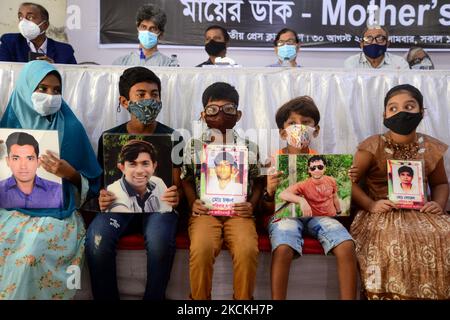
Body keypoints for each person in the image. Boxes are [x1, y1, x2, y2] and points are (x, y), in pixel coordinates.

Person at [0, 60, 101, 299]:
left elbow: (94, 183)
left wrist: (71, 174)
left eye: (56, 90)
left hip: (56, 212)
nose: (50, 96)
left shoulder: (71, 127)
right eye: (42, 88)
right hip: (8, 210)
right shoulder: (8, 125)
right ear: (26, 89)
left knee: (31, 256)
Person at [85, 66, 181, 300]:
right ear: (124, 101)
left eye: (155, 94)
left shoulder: (175, 137)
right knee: (97, 239)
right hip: (119, 208)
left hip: (159, 209)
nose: (149, 99)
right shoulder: (109, 138)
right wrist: (102, 198)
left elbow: (177, 183)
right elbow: (102, 186)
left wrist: (176, 196)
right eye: (141, 94)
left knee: (159, 243)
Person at [350, 84, 449, 299]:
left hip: (422, 211)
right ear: (384, 114)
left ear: (421, 112)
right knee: (392, 238)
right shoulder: (372, 145)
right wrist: (371, 205)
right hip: (381, 212)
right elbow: (349, 183)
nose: (401, 112)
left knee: (445, 234)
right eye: (393, 108)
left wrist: (439, 204)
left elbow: (441, 183)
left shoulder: (431, 147)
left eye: (409, 106)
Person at [262, 97, 357, 300]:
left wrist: (347, 185)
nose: (300, 127)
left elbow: (337, 203)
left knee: (346, 244)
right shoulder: (273, 161)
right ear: (282, 132)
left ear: (316, 130)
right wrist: (269, 191)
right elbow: (266, 207)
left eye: (306, 122)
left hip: (319, 214)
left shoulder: (325, 163)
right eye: (292, 123)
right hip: (284, 215)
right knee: (283, 246)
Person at [181, 82, 263, 300]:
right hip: (206, 213)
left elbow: (259, 180)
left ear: (238, 114)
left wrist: (251, 206)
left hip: (239, 213)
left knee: (247, 250)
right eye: (212, 109)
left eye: (228, 109)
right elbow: (186, 178)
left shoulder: (250, 146)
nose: (219, 114)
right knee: (201, 249)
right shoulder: (193, 145)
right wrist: (192, 204)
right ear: (203, 114)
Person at [106, 139, 171, 213]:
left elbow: (167, 212)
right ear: (122, 168)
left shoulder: (158, 183)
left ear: (154, 166)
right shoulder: (113, 190)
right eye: (132, 164)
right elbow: (122, 214)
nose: (139, 171)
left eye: (145, 163)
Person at [0, 131, 63, 209]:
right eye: (16, 158)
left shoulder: (58, 191)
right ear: (8, 161)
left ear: (38, 162)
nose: (23, 166)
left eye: (30, 158)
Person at [0, 2, 77, 64]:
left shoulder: (65, 50)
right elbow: (5, 74)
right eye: (20, 17)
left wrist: (54, 69)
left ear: (45, 25)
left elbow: (72, 79)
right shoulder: (9, 43)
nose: (23, 22)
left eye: (30, 17)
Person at [112, 4, 178, 67]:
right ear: (138, 28)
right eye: (144, 27)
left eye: (152, 28)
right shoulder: (121, 63)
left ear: (161, 34)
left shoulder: (168, 65)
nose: (147, 32)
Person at [344, 26, 409, 70]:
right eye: (369, 39)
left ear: (387, 43)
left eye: (380, 38)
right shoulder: (351, 63)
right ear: (361, 44)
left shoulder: (399, 63)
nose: (374, 42)